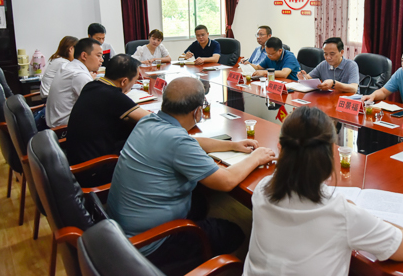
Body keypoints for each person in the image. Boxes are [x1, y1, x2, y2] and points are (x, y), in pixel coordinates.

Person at [107, 77, 276, 270]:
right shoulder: (176, 141)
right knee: (232, 233)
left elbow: (192, 141)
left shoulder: (148, 121)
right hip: (149, 245)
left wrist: (233, 145)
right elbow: (226, 181)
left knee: (199, 202)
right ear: (197, 111)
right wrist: (256, 157)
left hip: (122, 231)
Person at [243, 106, 403, 275]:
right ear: (329, 157)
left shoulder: (262, 189)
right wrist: (360, 214)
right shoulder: (341, 212)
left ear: (280, 148)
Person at [65, 54, 150, 165]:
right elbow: (151, 118)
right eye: (135, 81)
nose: (133, 84)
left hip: (78, 155)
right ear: (124, 81)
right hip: (94, 165)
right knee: (145, 142)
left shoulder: (91, 85)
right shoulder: (113, 96)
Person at [45, 38, 103, 127]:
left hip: (56, 122)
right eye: (98, 56)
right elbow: (98, 104)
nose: (102, 60)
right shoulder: (78, 75)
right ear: (84, 56)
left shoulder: (68, 66)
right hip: (64, 128)